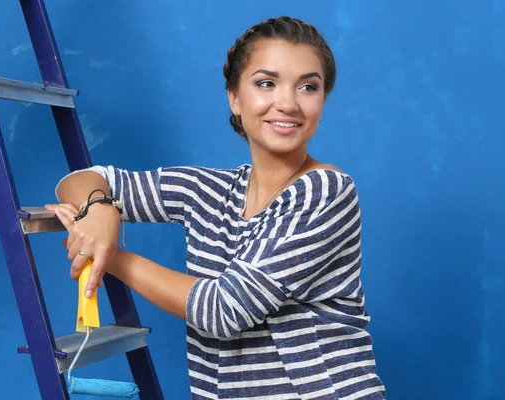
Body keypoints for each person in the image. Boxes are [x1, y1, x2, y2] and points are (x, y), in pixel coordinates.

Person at [46, 16, 386, 400]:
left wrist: (109, 252)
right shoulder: (208, 190)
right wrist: (101, 209)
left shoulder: (325, 191)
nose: (288, 103)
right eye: (266, 83)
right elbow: (82, 179)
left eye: (308, 86)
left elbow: (223, 310)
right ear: (235, 98)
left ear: (322, 102)